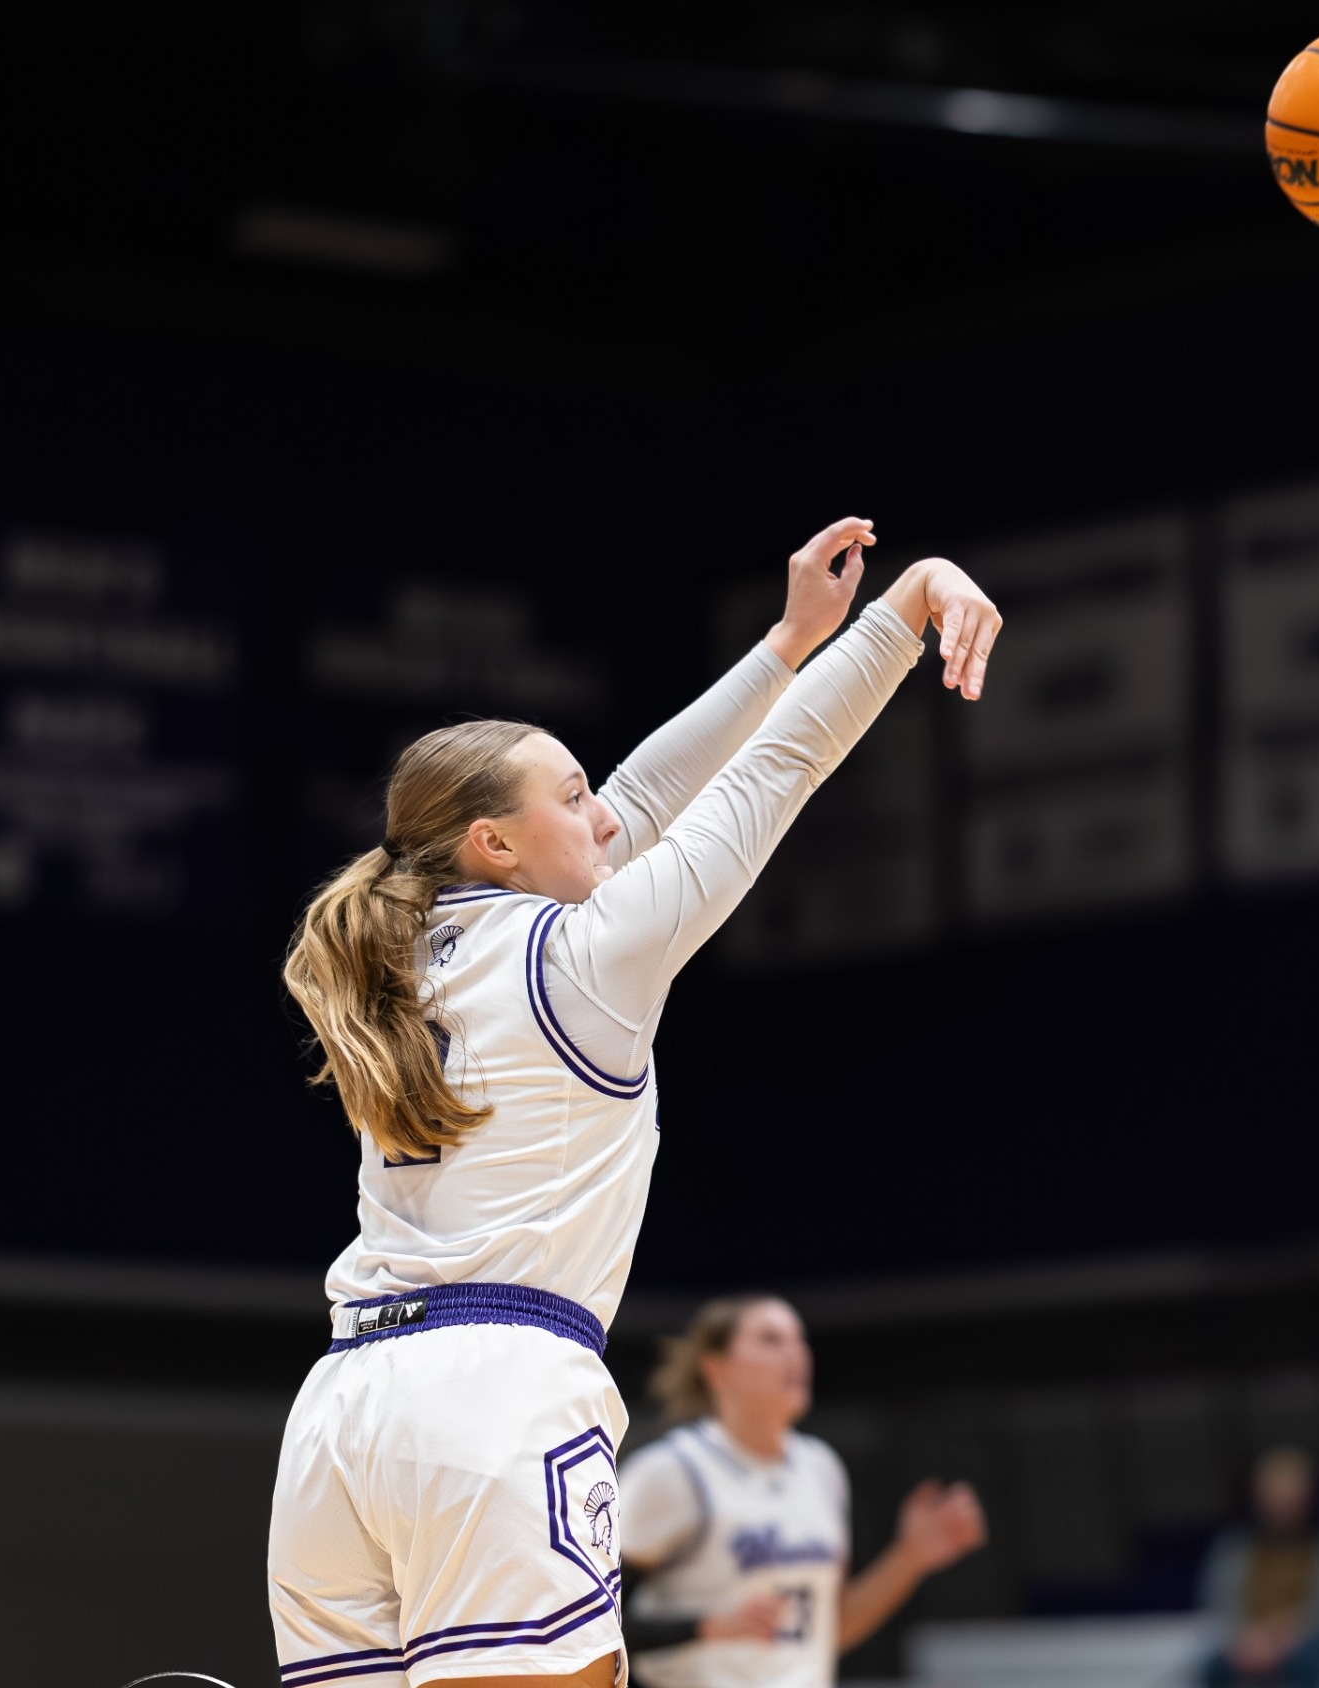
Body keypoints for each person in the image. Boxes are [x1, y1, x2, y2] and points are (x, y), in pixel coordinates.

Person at [267, 519, 1002, 1688]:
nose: (603, 812)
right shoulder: (586, 954)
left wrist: (785, 643)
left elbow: (642, 795)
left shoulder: (402, 951)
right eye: (573, 795)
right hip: (494, 1400)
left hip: (342, 1415)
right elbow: (777, 768)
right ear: (495, 842)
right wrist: (904, 606)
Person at [615, 1295, 989, 1688]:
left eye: (800, 1340)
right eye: (771, 1339)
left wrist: (910, 1557)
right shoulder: (672, 1470)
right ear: (716, 1367)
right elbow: (592, 1621)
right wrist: (703, 1626)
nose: (796, 1354)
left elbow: (831, 1630)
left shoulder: (821, 1468)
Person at [1199, 1448, 1319, 1688]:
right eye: (1274, 1495)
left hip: (1303, 1642)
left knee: (1308, 1661)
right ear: (1257, 1497)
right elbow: (1222, 1603)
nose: (1282, 1504)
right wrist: (1249, 1641)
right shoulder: (1233, 1548)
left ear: (1308, 1497)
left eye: (1290, 1496)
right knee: (1213, 1667)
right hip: (1246, 1641)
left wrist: (1278, 1639)